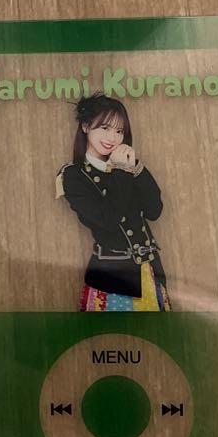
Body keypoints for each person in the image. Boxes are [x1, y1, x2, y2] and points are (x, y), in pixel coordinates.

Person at [56, 94, 171, 311]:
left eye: (119, 131)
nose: (113, 137)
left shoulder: (128, 165)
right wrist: (122, 170)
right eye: (105, 128)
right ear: (86, 126)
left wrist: (135, 168)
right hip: (112, 276)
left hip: (149, 269)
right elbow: (109, 219)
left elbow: (154, 211)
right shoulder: (74, 176)